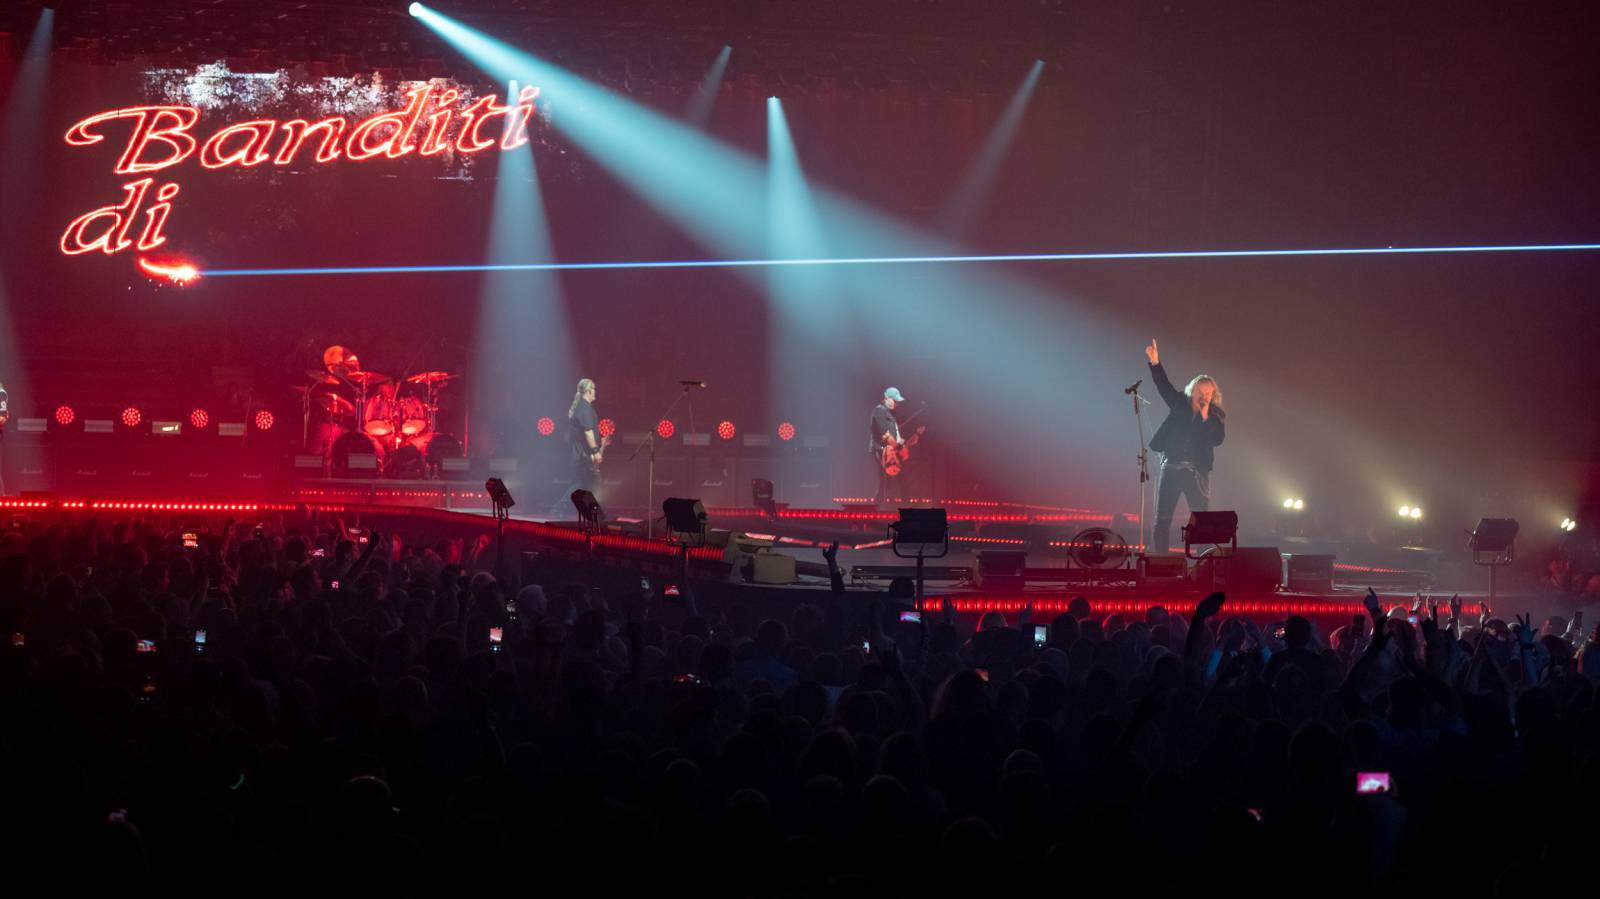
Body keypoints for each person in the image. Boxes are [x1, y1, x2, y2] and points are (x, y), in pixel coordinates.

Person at [1144, 338, 1224, 553]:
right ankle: (1161, 561)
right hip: (1171, 468)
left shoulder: (1215, 416)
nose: (1204, 396)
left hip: (1196, 472)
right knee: (1162, 518)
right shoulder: (1180, 403)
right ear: (1193, 391)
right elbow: (1164, 386)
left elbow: (1218, 439)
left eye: (1208, 393)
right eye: (1201, 392)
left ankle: (1204, 561)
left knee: (1202, 519)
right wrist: (1155, 362)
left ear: (1213, 395)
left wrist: (1205, 417)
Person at [567, 378, 605, 501]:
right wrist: (595, 451)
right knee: (583, 485)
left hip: (581, 455)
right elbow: (588, 432)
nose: (595, 391)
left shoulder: (582, 407)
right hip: (583, 456)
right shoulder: (585, 408)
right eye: (594, 389)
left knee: (585, 485)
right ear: (589, 391)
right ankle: (558, 507)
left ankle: (589, 508)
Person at [870, 387, 905, 502]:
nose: (896, 403)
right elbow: (885, 435)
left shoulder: (888, 413)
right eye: (894, 400)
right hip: (882, 450)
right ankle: (878, 505)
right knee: (885, 480)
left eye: (897, 401)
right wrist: (898, 446)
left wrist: (899, 443)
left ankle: (880, 504)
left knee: (887, 480)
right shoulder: (880, 411)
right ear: (886, 398)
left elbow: (893, 433)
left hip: (889, 449)